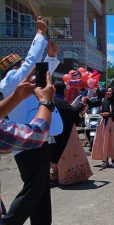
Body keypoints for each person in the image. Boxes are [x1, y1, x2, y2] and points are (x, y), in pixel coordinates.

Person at [0, 16, 63, 225]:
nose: (28, 68)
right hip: (25, 140)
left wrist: (51, 57)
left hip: (36, 137)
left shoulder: (18, 81)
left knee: (41, 188)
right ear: (14, 67)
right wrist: (39, 33)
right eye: (22, 65)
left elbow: (43, 79)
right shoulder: (11, 81)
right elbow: (31, 62)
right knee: (34, 188)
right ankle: (9, 222)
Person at [48, 81, 92, 185]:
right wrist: (82, 102)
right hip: (64, 133)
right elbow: (72, 112)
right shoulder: (59, 101)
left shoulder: (53, 100)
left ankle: (54, 177)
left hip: (54, 131)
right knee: (60, 154)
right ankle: (56, 177)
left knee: (54, 154)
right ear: (63, 90)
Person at [92, 87, 114, 169]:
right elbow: (94, 104)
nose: (108, 92)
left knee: (113, 143)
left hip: (113, 125)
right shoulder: (103, 100)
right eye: (107, 91)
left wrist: (109, 114)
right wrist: (87, 101)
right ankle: (105, 160)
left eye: (110, 91)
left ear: (113, 93)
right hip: (104, 125)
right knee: (104, 142)